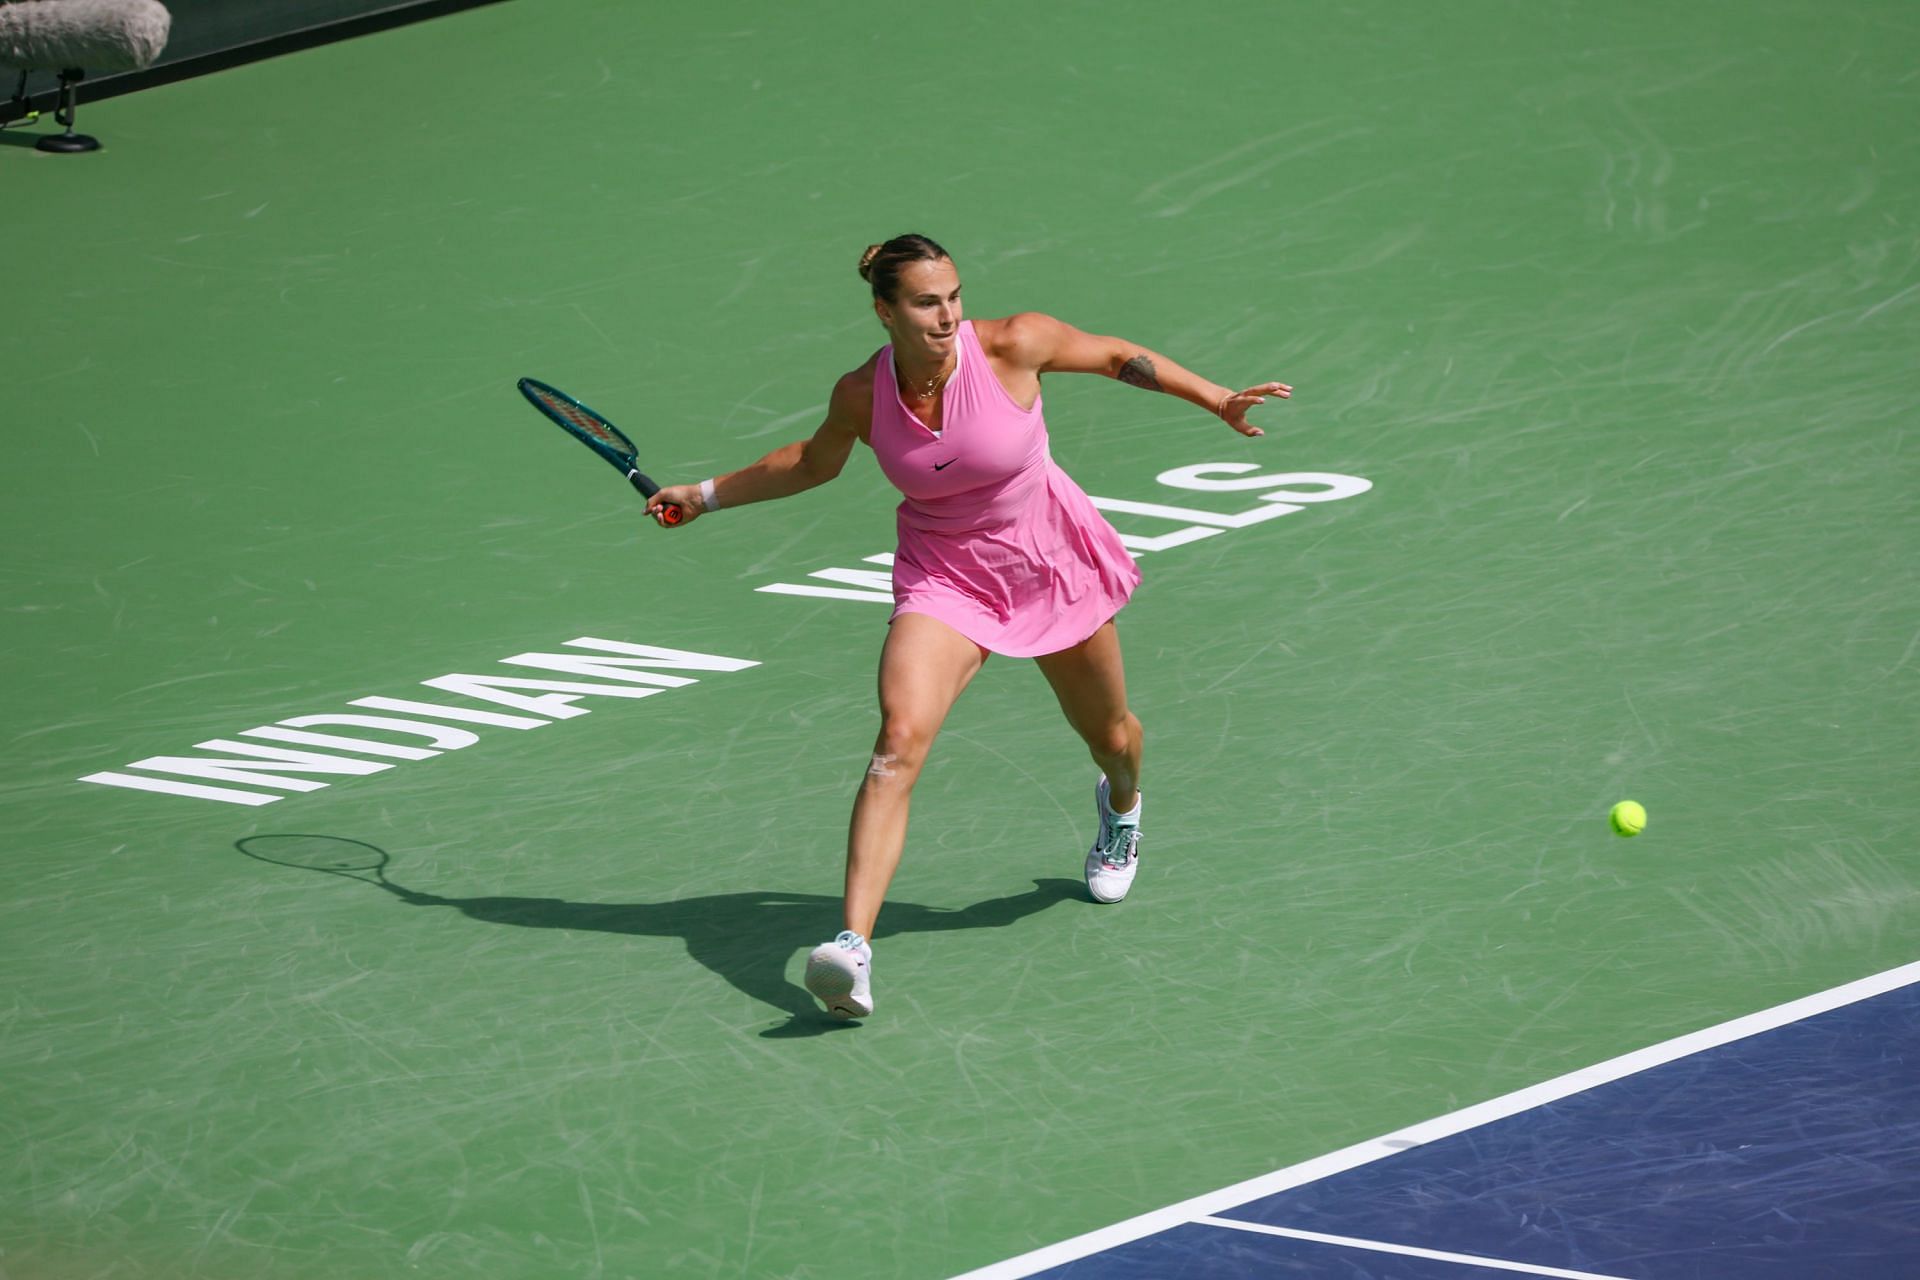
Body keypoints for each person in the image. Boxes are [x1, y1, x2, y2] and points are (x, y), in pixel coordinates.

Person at [646, 234, 1289, 1019]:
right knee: (898, 740)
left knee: (1111, 736)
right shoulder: (863, 392)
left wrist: (1217, 397)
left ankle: (1121, 808)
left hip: (1049, 557)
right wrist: (705, 495)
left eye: (953, 296)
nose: (947, 315)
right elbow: (814, 463)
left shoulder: (1014, 343)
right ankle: (852, 948)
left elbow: (1119, 356)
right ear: (886, 311)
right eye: (926, 302)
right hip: (944, 574)